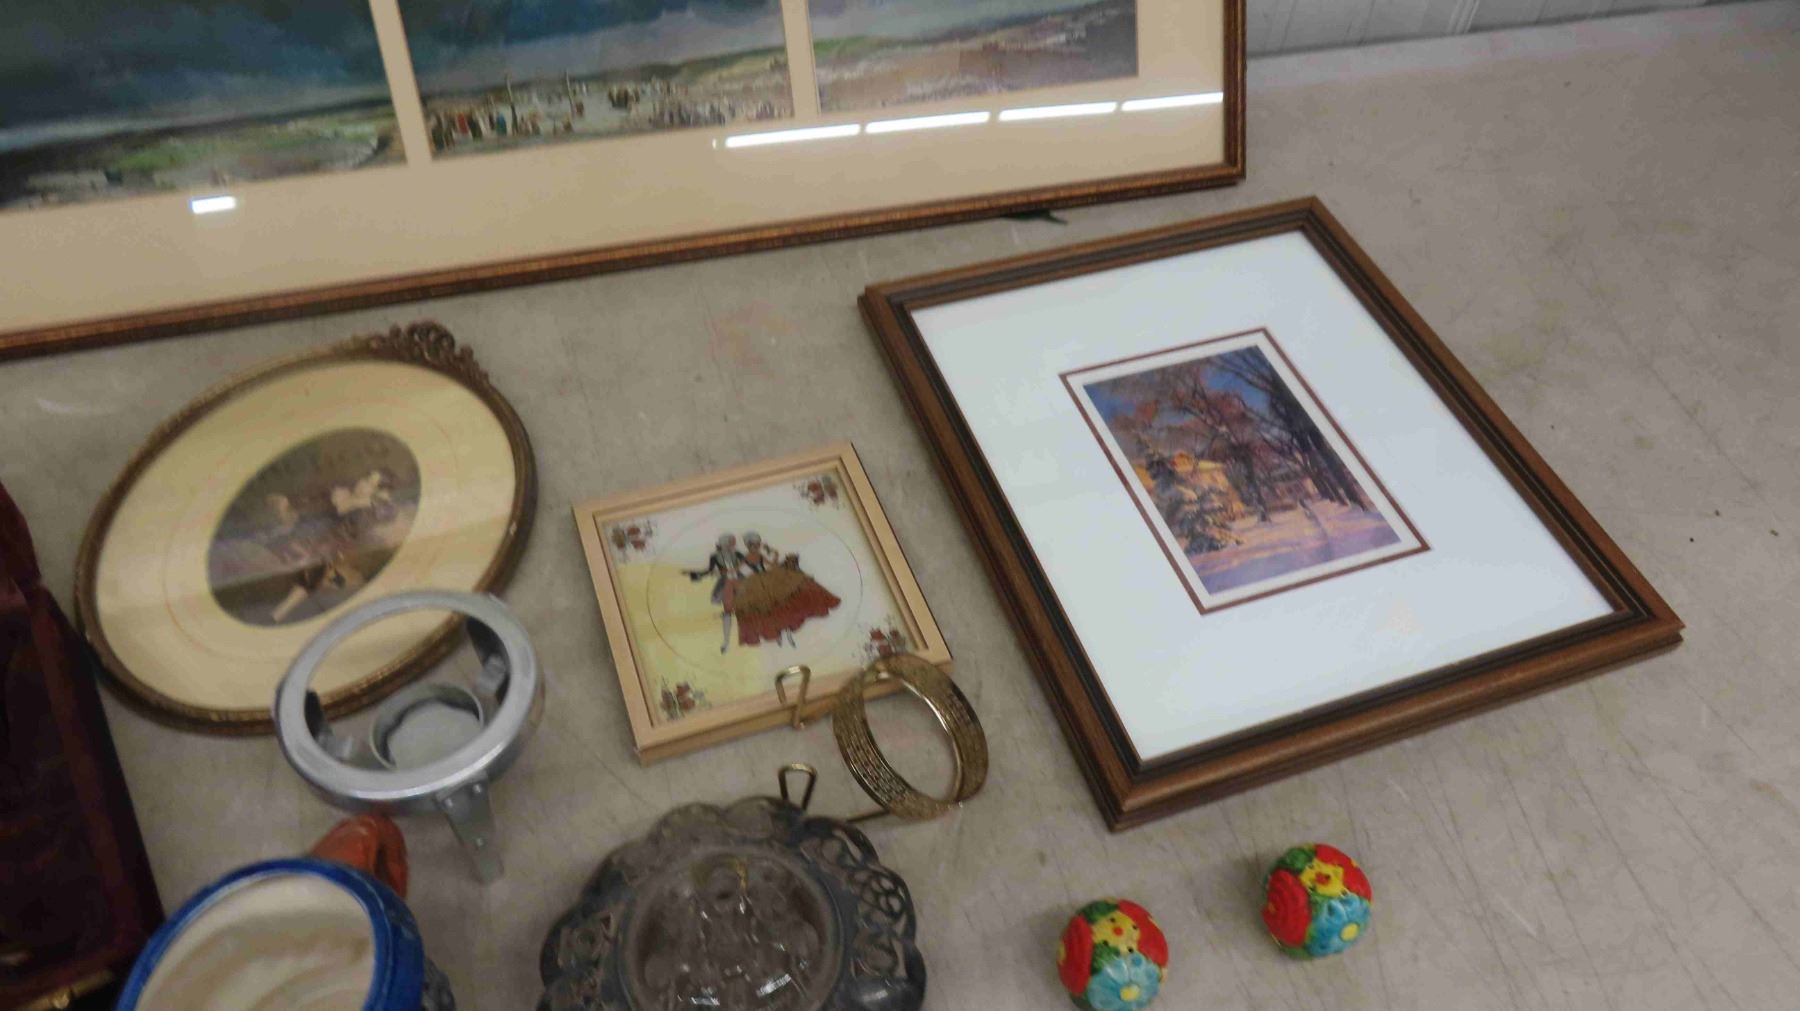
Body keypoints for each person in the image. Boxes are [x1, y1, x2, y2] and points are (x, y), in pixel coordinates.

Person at [686, 534, 748, 654]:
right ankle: (726, 641)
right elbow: (709, 570)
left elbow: (747, 562)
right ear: (725, 543)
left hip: (739, 580)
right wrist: (698, 575)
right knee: (727, 611)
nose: (734, 545)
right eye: (731, 543)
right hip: (725, 582)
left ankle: (747, 637)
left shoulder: (737, 554)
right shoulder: (714, 556)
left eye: (733, 543)